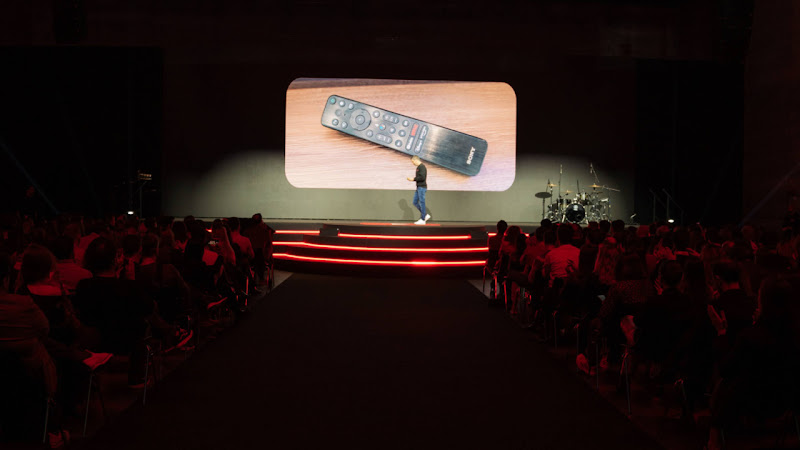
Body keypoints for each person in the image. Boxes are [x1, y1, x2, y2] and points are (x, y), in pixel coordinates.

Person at [406, 156, 430, 225]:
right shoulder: (418, 168)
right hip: (419, 187)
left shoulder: (422, 167)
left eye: (413, 162)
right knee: (415, 202)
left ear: (415, 160)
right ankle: (425, 215)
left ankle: (423, 219)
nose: (413, 163)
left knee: (422, 202)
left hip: (422, 187)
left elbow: (422, 177)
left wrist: (413, 179)